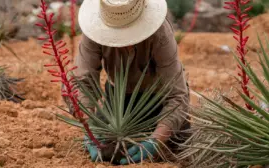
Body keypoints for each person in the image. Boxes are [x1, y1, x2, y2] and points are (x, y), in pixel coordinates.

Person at [65, 0, 191, 165]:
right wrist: (89, 128)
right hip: (117, 103)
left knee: (179, 148)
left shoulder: (160, 33)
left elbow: (177, 94)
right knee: (108, 151)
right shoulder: (93, 31)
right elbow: (81, 81)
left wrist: (155, 141)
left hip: (159, 103)